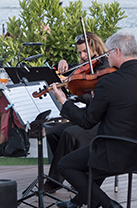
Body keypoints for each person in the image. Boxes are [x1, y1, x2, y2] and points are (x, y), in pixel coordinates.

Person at [50, 31, 137, 208]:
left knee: (66, 164)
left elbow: (87, 121)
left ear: (117, 52)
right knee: (91, 160)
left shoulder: (109, 82)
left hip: (116, 153)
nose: (107, 57)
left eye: (109, 53)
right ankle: (77, 203)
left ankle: (109, 206)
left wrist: (63, 101)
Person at [44, 31, 109, 193]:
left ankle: (55, 180)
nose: (83, 55)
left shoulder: (105, 68)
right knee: (52, 133)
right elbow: (67, 73)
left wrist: (75, 91)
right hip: (88, 118)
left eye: (86, 51)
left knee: (69, 133)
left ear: (96, 47)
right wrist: (62, 63)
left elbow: (95, 102)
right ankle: (71, 172)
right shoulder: (85, 68)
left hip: (100, 121)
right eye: (80, 52)